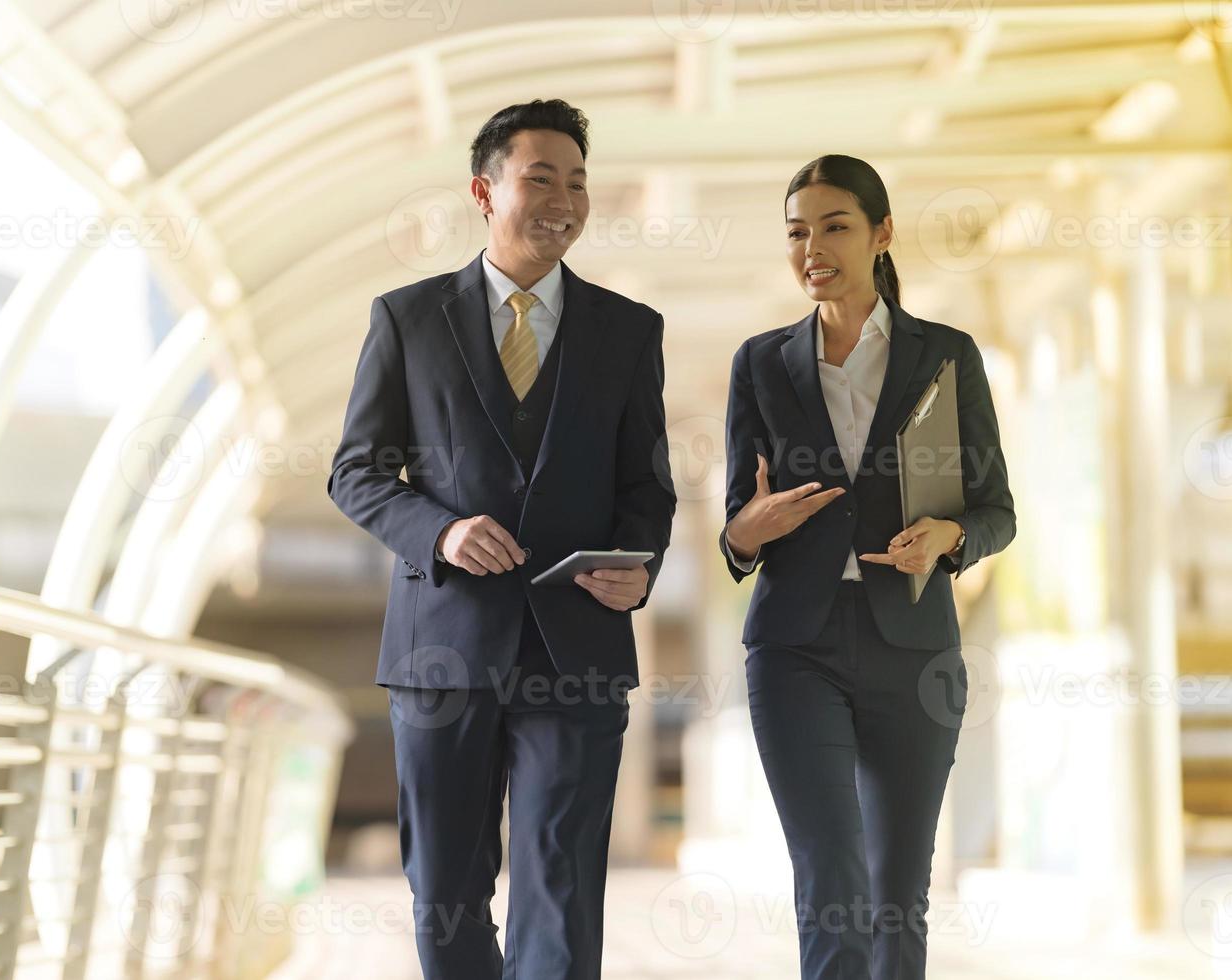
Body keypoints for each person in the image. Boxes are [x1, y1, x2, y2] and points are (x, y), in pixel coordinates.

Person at [327, 98, 676, 980]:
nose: (563, 199)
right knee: (445, 887)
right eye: (540, 179)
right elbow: (357, 472)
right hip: (441, 647)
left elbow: (648, 489)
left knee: (561, 888)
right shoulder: (406, 320)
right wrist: (439, 532)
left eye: (578, 182)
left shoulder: (629, 331)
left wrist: (638, 570)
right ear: (485, 191)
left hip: (580, 644)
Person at [720, 154, 1015, 980]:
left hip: (913, 652)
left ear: (882, 234)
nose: (812, 248)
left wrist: (949, 537)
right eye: (796, 232)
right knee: (832, 883)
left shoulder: (946, 357)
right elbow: (735, 533)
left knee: (895, 895)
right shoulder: (760, 363)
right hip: (795, 650)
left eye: (834, 226)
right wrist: (750, 530)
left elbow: (998, 511)